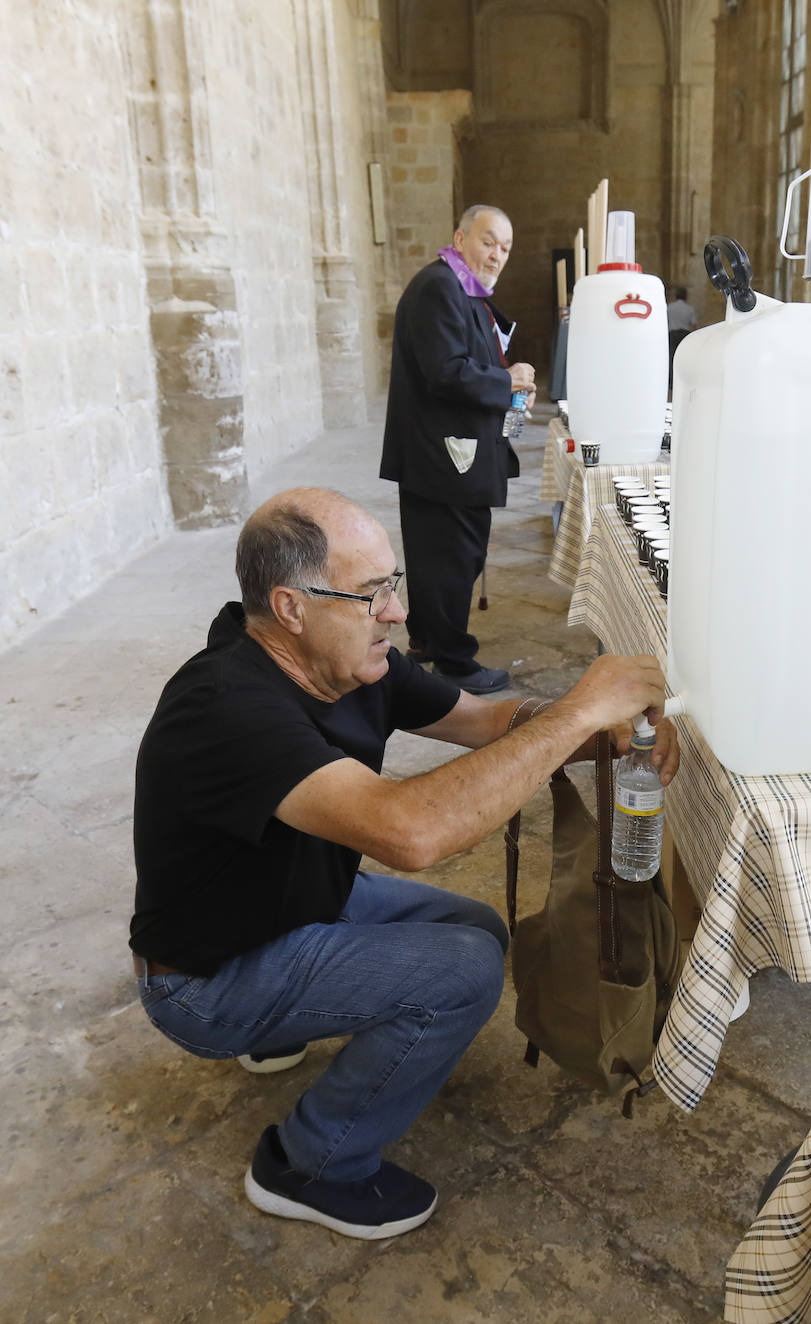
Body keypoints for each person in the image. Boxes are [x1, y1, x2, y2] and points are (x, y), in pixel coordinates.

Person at [129, 487, 678, 1239]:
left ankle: (280, 1031)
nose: (396, 612)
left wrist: (599, 732)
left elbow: (482, 718)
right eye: (370, 594)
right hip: (204, 978)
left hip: (292, 904)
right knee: (462, 972)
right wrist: (582, 709)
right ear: (289, 607)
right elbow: (410, 833)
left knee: (477, 925)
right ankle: (308, 1164)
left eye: (394, 585)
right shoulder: (228, 707)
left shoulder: (351, 659)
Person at [380, 204, 536, 695]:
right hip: (444, 454)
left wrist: (510, 381)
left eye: (506, 247)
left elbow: (466, 361)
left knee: (439, 554)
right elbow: (445, 371)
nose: (497, 254)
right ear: (460, 237)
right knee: (452, 555)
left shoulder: (460, 289)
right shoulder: (438, 287)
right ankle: (454, 661)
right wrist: (505, 378)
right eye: (489, 241)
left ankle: (427, 642)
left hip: (447, 451)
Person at [665, 285, 698, 391]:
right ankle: (683, 381)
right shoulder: (689, 309)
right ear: (686, 296)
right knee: (683, 357)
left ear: (675, 296)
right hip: (684, 335)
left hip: (672, 334)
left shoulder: (669, 307)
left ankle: (671, 382)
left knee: (671, 357)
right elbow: (694, 325)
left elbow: (665, 322)